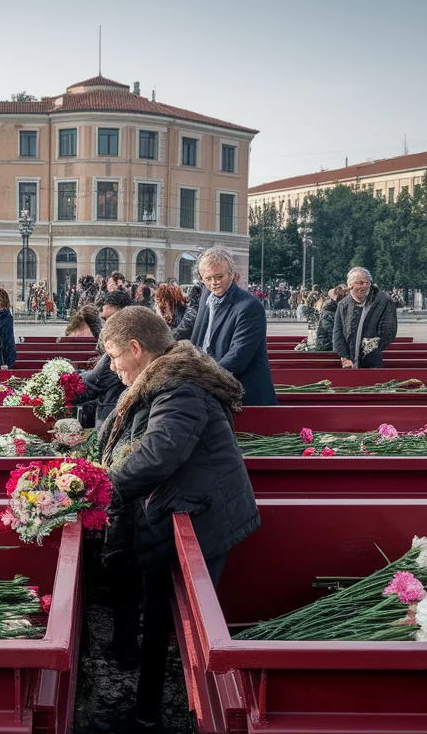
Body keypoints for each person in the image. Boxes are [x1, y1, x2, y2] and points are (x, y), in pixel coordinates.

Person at [97, 307, 260, 731]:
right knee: (156, 609)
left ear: (136, 348)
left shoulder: (180, 388)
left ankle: (156, 712)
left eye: (114, 356)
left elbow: (159, 453)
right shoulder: (167, 380)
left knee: (173, 618)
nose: (112, 368)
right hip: (179, 510)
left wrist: (99, 490)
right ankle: (148, 706)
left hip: (204, 517)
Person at [189, 247, 277, 405]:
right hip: (212, 389)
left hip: (244, 396)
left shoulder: (250, 306)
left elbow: (238, 357)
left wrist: (200, 377)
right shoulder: (206, 296)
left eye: (219, 276)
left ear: (232, 274)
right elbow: (198, 340)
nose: (214, 283)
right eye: (208, 278)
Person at [74, 290, 132, 432]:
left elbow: (96, 380)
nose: (106, 327)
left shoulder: (125, 343)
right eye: (104, 320)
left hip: (115, 417)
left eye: (110, 319)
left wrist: (65, 384)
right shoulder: (113, 337)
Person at [332, 267, 398, 369]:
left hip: (373, 361)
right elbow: (338, 333)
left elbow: (388, 331)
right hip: (349, 363)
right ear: (350, 285)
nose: (364, 286)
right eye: (360, 283)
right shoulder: (343, 304)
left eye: (368, 283)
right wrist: (345, 357)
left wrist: (367, 349)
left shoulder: (383, 301)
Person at [312, 285, 347, 352]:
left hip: (335, 347)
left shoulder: (338, 310)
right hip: (327, 348)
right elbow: (334, 334)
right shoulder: (328, 312)